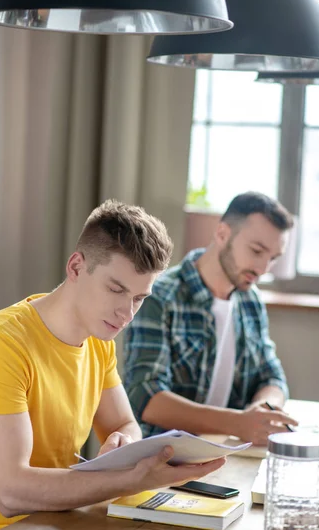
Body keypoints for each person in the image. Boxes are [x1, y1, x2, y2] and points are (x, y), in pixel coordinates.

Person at [0, 200, 226, 530]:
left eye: (140, 298)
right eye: (116, 289)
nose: (127, 313)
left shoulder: (97, 341)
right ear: (76, 267)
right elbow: (10, 492)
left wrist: (122, 444)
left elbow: (124, 424)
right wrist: (128, 476)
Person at [123, 191, 299, 446]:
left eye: (272, 258)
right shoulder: (160, 295)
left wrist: (263, 412)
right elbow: (145, 397)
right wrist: (239, 423)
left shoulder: (251, 301)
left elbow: (272, 377)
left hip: (226, 455)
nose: (263, 269)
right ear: (222, 234)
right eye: (257, 251)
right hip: (164, 458)